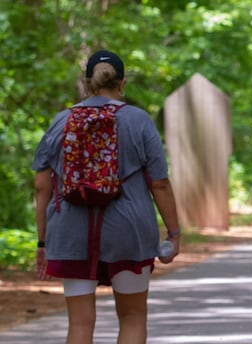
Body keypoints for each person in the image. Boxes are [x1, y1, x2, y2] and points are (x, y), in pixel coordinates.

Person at [33, 50, 181, 344]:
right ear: (122, 83)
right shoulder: (138, 121)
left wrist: (43, 241)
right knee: (132, 316)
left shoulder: (62, 120)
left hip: (70, 230)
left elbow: (41, 185)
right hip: (129, 229)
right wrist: (174, 232)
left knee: (79, 324)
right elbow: (160, 183)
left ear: (87, 82)